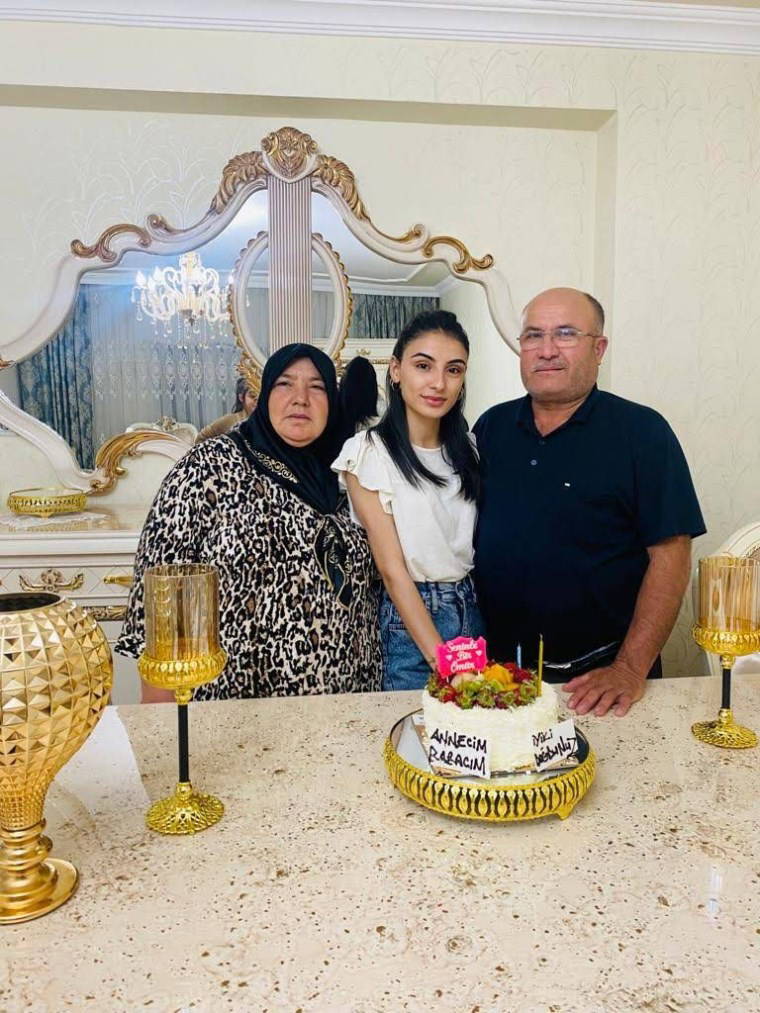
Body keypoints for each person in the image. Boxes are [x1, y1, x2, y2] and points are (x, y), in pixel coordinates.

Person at [473, 287, 705, 718]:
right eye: (533, 335)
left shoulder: (644, 433)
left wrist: (629, 669)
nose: (546, 350)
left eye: (565, 334)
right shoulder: (489, 427)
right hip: (500, 677)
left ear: (599, 348)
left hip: (601, 683)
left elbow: (671, 557)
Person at [116, 343, 381, 701]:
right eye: (285, 384)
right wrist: (161, 718)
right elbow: (162, 596)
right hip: (238, 701)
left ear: (332, 401)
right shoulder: (209, 466)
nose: (301, 398)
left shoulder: (351, 471)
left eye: (317, 387)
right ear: (264, 393)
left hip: (346, 698)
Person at [333, 310, 482, 691]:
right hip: (411, 615)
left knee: (470, 723)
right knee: (415, 724)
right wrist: (443, 662)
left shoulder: (468, 449)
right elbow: (392, 571)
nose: (439, 383)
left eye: (453, 370)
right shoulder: (368, 453)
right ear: (397, 370)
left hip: (469, 607)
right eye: (423, 366)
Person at [195, 375, 257, 443]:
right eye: (253, 396)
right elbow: (201, 437)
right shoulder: (232, 421)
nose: (257, 400)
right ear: (241, 397)